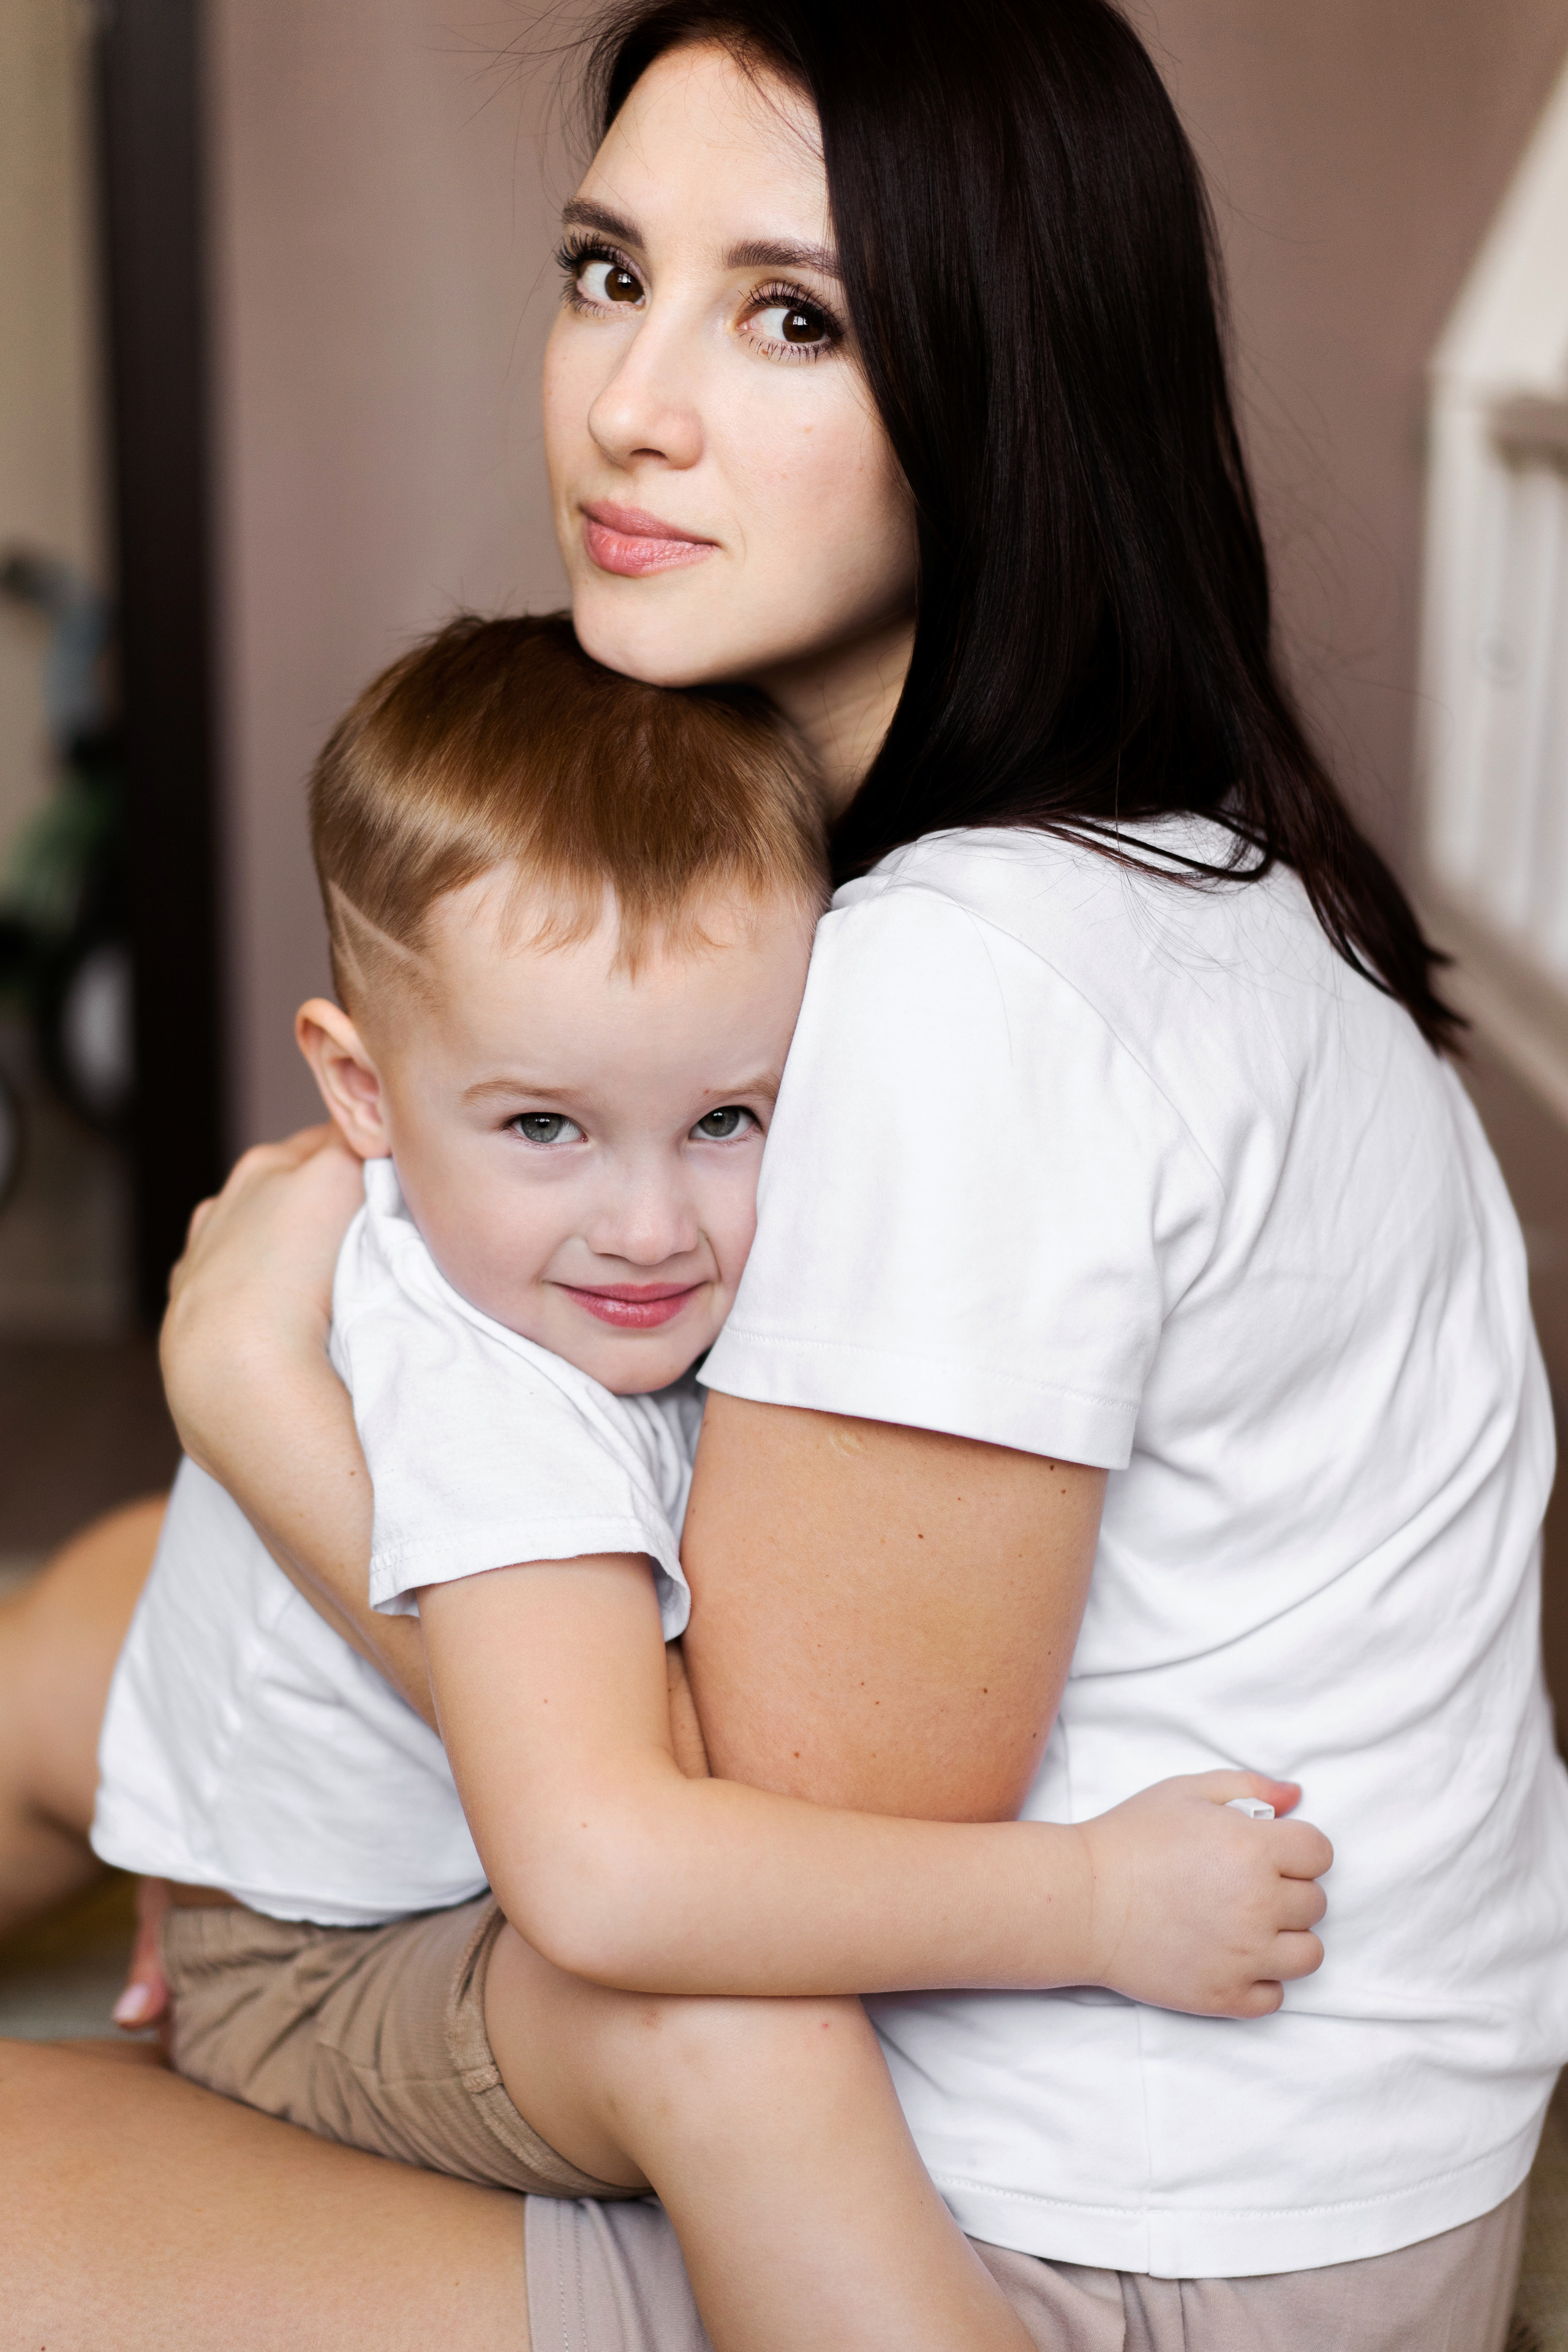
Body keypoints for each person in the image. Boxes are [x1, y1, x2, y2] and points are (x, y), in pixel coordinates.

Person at [2, 2, 1564, 2346]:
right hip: (1267, 2123)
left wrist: (253, 1396)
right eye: (611, 270)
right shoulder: (1113, 855)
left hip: (1100, 2228)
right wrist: (253, 1794)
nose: (632, 402)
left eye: (795, 316)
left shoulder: (977, 980)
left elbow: (717, 1843)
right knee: (128, 1610)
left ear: (1004, 395)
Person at [91, 611, 1324, 2352]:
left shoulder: (576, 1252)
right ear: (361, 1090)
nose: (652, 1227)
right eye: (545, 1128)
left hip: (352, 1857)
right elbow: (605, 1873)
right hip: (313, 1967)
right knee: (735, 2029)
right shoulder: (494, 1390)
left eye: (730, 1119)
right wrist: (1098, 1905)